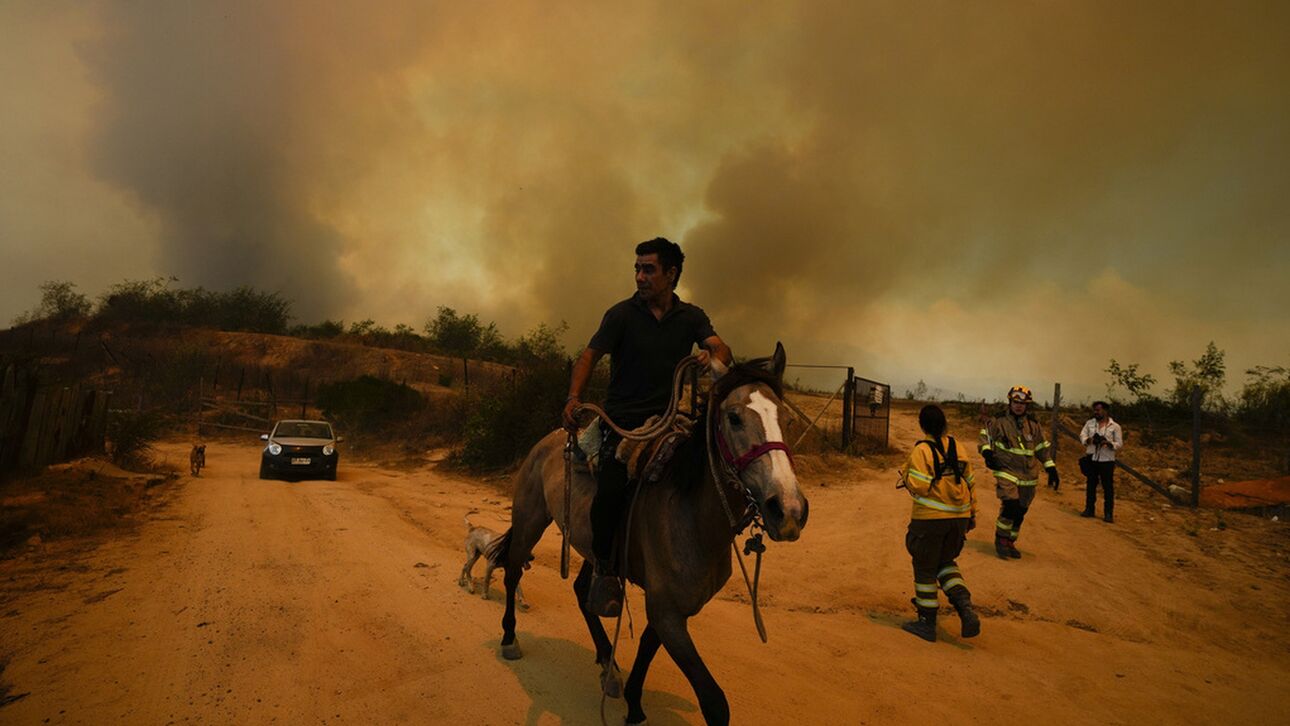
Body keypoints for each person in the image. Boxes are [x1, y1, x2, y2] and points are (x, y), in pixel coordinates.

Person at [562, 237, 732, 617]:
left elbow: (722, 349)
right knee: (610, 489)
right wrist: (573, 398)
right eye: (637, 268)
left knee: (703, 473)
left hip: (670, 420)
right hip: (621, 423)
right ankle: (605, 571)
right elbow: (590, 356)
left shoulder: (690, 316)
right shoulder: (621, 314)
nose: (639, 276)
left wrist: (710, 354)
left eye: (648, 269)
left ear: (671, 274)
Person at [898, 405, 981, 643]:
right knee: (945, 562)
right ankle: (964, 606)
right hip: (959, 518)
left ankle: (926, 622)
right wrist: (972, 514)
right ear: (944, 423)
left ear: (922, 424)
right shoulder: (959, 447)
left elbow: (919, 486)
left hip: (930, 520)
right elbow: (971, 483)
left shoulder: (921, 451)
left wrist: (905, 474)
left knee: (924, 567)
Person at [978, 385, 1059, 560]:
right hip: (1006, 470)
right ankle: (1001, 539)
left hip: (1029, 475)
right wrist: (987, 452)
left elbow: (1041, 448)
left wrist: (1050, 467)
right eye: (1015, 402)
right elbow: (985, 437)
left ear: (1027, 405)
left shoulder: (1033, 424)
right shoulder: (998, 421)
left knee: (1021, 511)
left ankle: (1010, 541)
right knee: (1011, 505)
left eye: (1023, 403)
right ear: (1010, 402)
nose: (1018, 406)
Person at [1079, 401, 1122, 523]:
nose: (1096, 412)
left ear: (1105, 411)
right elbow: (1082, 436)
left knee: (1108, 487)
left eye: (1098, 410)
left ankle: (1108, 513)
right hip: (1092, 457)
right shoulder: (1090, 423)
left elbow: (1119, 444)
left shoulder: (1115, 427)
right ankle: (1089, 509)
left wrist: (1108, 443)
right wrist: (1089, 440)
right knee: (1091, 485)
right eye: (1095, 410)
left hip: (1107, 460)